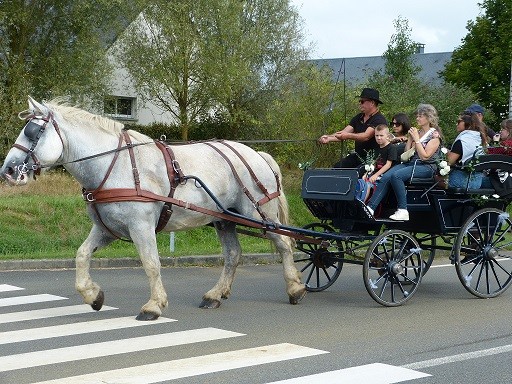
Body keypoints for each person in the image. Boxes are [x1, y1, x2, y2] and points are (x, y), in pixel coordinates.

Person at [364, 104, 442, 221]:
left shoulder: (434, 136)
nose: (417, 118)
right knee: (386, 176)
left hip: (426, 167)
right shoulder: (418, 132)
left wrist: (416, 139)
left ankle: (403, 210)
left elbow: (425, 156)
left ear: (429, 118)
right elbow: (407, 153)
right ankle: (370, 208)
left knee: (397, 176)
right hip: (411, 163)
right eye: (417, 116)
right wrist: (410, 139)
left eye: (420, 116)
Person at [319, 88, 387, 170]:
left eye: (362, 101)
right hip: (358, 155)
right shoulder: (358, 117)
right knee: (337, 168)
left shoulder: (379, 119)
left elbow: (366, 136)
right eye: (359, 101)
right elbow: (344, 132)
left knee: (356, 173)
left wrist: (347, 136)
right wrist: (328, 138)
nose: (360, 104)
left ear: (372, 103)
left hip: (373, 158)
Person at [446, 113, 487, 189]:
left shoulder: (462, 141)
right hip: (477, 183)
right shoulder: (481, 139)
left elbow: (449, 162)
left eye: (459, 122)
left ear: (467, 123)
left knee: (434, 177)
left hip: (460, 181)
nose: (456, 124)